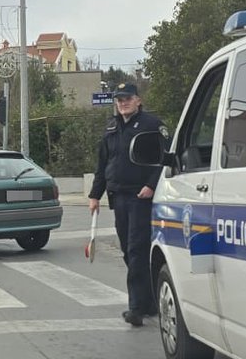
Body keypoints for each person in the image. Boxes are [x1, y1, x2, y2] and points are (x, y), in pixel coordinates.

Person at [88, 83, 168, 327]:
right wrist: (95, 195)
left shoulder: (152, 125)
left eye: (127, 99)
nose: (123, 103)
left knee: (136, 249)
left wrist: (152, 185)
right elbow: (103, 164)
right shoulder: (111, 127)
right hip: (118, 196)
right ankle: (149, 302)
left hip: (140, 197)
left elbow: (165, 157)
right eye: (119, 100)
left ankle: (136, 309)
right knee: (128, 250)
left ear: (138, 100)